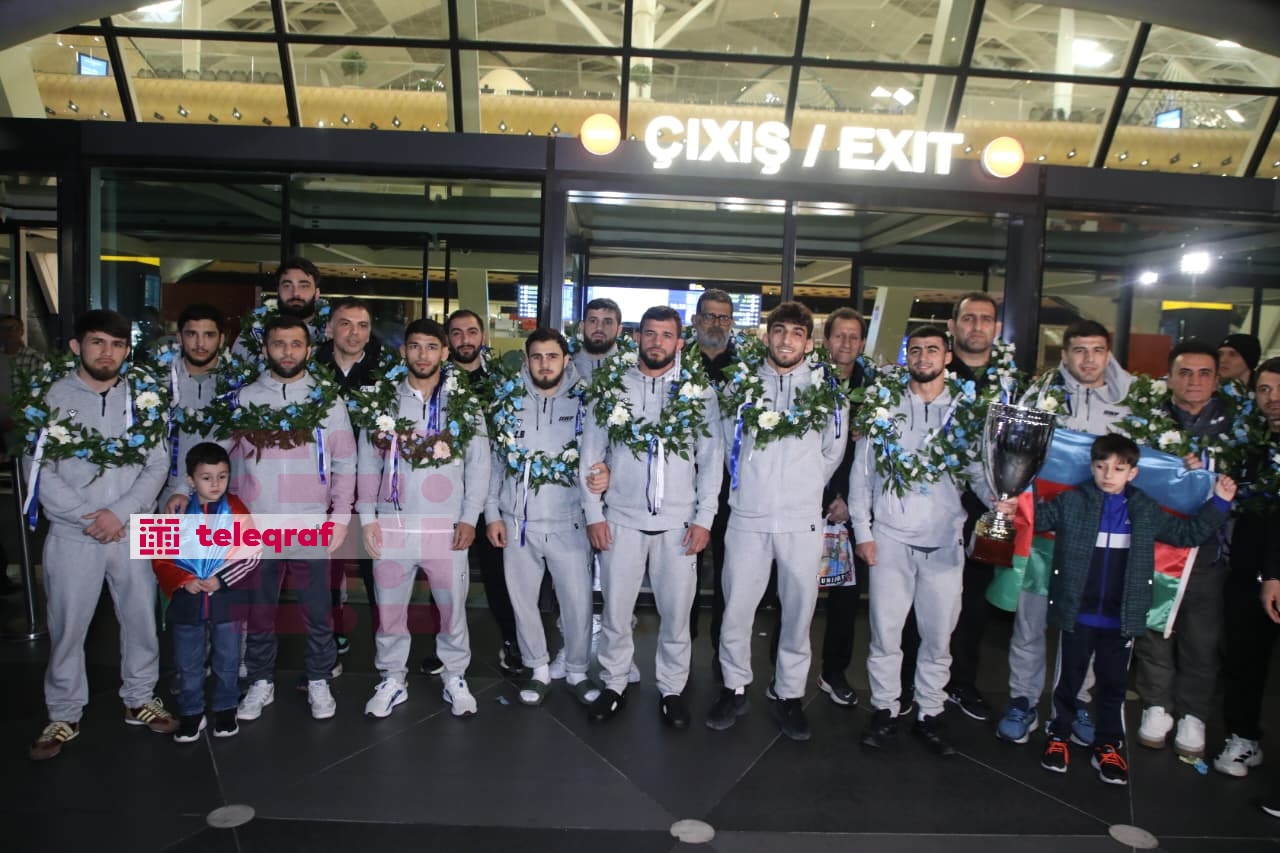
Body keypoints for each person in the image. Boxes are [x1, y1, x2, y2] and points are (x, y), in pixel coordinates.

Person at [1012, 434, 1235, 786]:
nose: (1108, 475)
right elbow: (1035, 520)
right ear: (1091, 467)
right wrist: (1011, 504)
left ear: (1133, 473)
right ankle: (1058, 735)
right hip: (1077, 613)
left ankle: (1108, 744)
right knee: (1068, 681)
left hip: (1121, 617)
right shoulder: (1073, 501)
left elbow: (1187, 534)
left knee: (1114, 686)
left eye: (1118, 469)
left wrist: (1220, 502)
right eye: (1101, 467)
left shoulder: (1144, 508)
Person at [28, 309, 176, 760]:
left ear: (127, 350)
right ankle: (64, 712)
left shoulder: (144, 398)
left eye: (116, 345)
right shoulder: (50, 396)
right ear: (77, 346)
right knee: (68, 626)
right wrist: (87, 517)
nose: (107, 353)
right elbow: (39, 469)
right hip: (74, 534)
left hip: (135, 528)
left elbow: (158, 464)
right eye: (97, 342)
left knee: (142, 620)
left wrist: (120, 513)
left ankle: (140, 698)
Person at [707, 301, 846, 741]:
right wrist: (753, 485)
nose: (787, 340)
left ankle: (788, 694)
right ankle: (733, 688)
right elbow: (724, 443)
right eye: (780, 331)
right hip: (747, 517)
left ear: (809, 342)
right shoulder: (741, 385)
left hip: (802, 521)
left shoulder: (827, 391)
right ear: (767, 336)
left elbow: (832, 453)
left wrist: (803, 488)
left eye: (797, 333)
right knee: (735, 610)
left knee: (799, 613)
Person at [582, 306, 722, 726]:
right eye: (649, 333)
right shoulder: (613, 387)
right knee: (615, 612)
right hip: (620, 520)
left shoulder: (698, 392)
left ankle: (672, 689)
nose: (657, 342)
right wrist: (594, 514)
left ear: (679, 342)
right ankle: (614, 683)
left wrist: (705, 519)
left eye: (666, 334)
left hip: (678, 525)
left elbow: (711, 460)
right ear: (637, 338)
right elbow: (591, 454)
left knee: (676, 616)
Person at [996, 319, 1134, 744]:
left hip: (1098, 543)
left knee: (1085, 630)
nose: (1088, 359)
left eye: (1097, 350)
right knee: (1030, 625)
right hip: (1042, 535)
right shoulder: (1040, 399)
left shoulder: (1134, 407)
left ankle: (1075, 705)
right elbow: (1015, 456)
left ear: (1108, 354)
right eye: (1079, 350)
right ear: (1065, 355)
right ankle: (1022, 700)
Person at [852, 325, 986, 757]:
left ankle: (930, 713)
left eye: (932, 350)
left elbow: (980, 472)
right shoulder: (884, 407)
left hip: (945, 543)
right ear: (906, 357)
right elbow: (862, 476)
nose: (923, 357)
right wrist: (863, 532)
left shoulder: (965, 413)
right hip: (889, 540)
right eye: (915, 350)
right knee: (885, 635)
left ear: (947, 358)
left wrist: (1002, 497)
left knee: (938, 639)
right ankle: (885, 709)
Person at [359, 319, 489, 718]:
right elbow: (368, 462)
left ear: (444, 353)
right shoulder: (383, 401)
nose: (423, 354)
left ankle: (455, 676)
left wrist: (469, 518)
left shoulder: (463, 403)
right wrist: (367, 518)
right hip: (392, 525)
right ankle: (392, 678)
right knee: (389, 610)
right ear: (404, 351)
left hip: (445, 527)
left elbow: (479, 465)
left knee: (452, 610)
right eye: (415, 346)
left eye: (432, 347)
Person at [232, 316, 356, 723]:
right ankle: (260, 680)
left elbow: (345, 461)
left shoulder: (327, 400)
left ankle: (319, 678)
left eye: (295, 344)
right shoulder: (244, 398)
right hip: (257, 524)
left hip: (310, 523)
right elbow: (224, 458)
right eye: (279, 344)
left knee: (317, 611)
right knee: (259, 611)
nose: (287, 352)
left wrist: (340, 518)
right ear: (265, 349)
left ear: (308, 349)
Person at [1133, 340, 1242, 759]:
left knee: (1202, 636)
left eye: (1203, 373)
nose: (1193, 381)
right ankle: (1156, 706)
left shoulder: (1238, 427)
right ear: (1170, 377)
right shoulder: (1146, 422)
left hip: (1210, 550)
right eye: (1184, 372)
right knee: (1154, 627)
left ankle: (1194, 714)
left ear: (1216, 380)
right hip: (1158, 546)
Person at [486, 328, 599, 708]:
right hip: (518, 523)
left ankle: (578, 669)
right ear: (527, 360)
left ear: (566, 360)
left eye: (552, 356)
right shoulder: (507, 401)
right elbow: (495, 463)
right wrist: (492, 514)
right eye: (537, 357)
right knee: (523, 602)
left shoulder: (586, 402)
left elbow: (602, 455)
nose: (544, 364)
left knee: (578, 602)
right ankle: (537, 668)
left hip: (569, 522)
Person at [940, 291, 1017, 722]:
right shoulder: (934, 370)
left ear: (997, 329)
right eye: (968, 318)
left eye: (985, 319)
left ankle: (961, 682)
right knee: (927, 596)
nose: (976, 326)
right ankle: (914, 681)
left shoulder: (1013, 385)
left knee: (974, 599)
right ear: (953, 326)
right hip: (937, 503)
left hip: (992, 506)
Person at [152, 443, 260, 742]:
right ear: (190, 480)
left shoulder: (236, 508)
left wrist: (222, 579)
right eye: (206, 477)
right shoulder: (175, 510)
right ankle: (191, 712)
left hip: (226, 599)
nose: (215, 484)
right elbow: (159, 555)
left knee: (228, 659)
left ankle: (226, 708)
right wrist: (182, 579)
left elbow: (252, 552)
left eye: (222, 476)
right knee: (188, 662)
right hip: (187, 600)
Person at [443, 308, 524, 678]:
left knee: (498, 575)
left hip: (493, 496)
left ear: (483, 338)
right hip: (446, 496)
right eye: (457, 333)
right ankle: (443, 649)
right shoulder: (436, 383)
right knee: (444, 580)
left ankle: (511, 640)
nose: (465, 339)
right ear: (448, 341)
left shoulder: (502, 382)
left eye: (472, 332)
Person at [314, 297, 393, 656]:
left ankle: (384, 637)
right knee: (327, 565)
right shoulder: (311, 369)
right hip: (323, 483)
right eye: (345, 324)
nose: (354, 333)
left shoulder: (385, 373)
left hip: (372, 484)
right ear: (330, 328)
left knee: (375, 562)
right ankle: (331, 632)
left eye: (362, 326)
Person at [1215, 356, 1280, 776]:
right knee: (1243, 658)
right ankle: (1243, 737)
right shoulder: (1249, 443)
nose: (1273, 399)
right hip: (1246, 567)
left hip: (1273, 571)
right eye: (1265, 389)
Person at [812, 307, 869, 707]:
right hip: (806, 504)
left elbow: (874, 457)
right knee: (794, 595)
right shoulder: (808, 380)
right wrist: (821, 499)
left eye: (853, 336)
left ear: (862, 343)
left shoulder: (877, 391)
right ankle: (784, 675)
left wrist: (848, 501)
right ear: (826, 340)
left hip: (853, 508)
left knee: (846, 601)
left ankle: (834, 671)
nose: (846, 343)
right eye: (839, 335)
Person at [688, 288, 738, 681]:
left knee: (730, 576)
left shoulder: (748, 370)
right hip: (685, 485)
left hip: (733, 490)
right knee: (684, 573)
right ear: (695, 321)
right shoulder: (678, 364)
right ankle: (681, 652)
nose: (716, 324)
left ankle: (725, 654)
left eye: (723, 317)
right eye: (709, 316)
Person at [161, 304, 228, 513]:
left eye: (209, 335)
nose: (200, 344)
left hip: (223, 496)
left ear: (221, 339)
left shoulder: (237, 385)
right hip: (169, 495)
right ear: (179, 338)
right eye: (191, 334)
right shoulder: (158, 383)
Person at [232, 257, 329, 359]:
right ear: (278, 291)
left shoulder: (332, 331)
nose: (295, 293)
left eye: (304, 286)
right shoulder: (254, 331)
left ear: (317, 293)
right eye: (287, 286)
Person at [571, 297, 624, 384]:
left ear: (619, 330)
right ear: (582, 327)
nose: (599, 327)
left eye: (607, 322)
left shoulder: (632, 369)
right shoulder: (566, 366)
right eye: (593, 321)